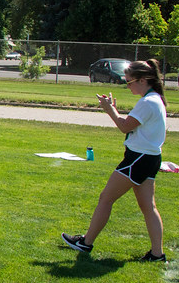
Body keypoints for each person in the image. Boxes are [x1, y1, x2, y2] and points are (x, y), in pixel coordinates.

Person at [62, 59, 168, 262]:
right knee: (148, 207)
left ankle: (85, 243)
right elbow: (134, 125)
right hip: (149, 158)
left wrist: (109, 109)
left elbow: (125, 126)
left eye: (129, 82)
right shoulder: (154, 99)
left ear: (144, 80)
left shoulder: (148, 102)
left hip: (138, 158)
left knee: (106, 198)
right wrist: (114, 110)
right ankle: (157, 254)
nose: (128, 86)